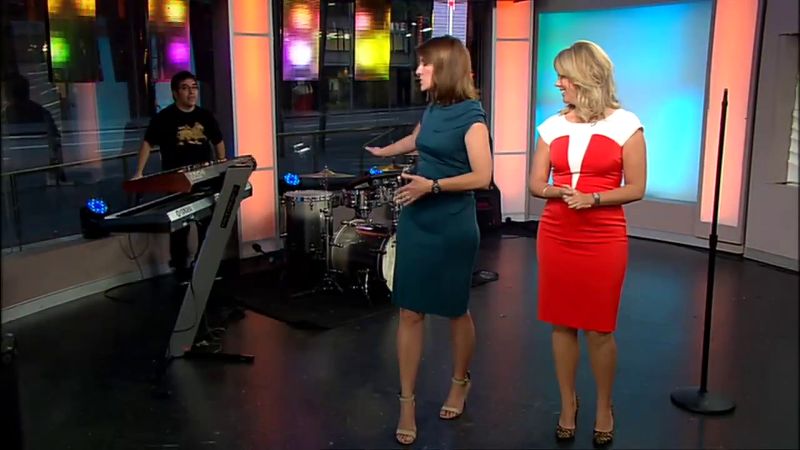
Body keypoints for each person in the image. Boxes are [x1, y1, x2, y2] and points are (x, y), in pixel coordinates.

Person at [365, 35, 492, 446]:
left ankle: (460, 381)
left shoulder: (472, 117)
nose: (417, 70)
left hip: (452, 223)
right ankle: (407, 402)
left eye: (425, 64)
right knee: (409, 311)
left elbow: (483, 176)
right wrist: (385, 151)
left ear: (445, 68)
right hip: (418, 221)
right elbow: (417, 140)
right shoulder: (434, 108)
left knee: (454, 310)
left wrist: (432, 186)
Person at [529, 40, 646, 447]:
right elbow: (535, 183)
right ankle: (568, 404)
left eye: (564, 76)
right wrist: (556, 191)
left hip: (603, 234)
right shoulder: (552, 126)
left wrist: (593, 198)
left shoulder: (626, 125)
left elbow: (636, 187)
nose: (558, 83)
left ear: (586, 78)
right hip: (557, 231)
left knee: (599, 328)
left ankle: (604, 407)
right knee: (562, 323)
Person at [131, 71, 226, 281]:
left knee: (207, 224)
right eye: (185, 88)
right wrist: (139, 172)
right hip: (177, 182)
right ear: (175, 93)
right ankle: (180, 269)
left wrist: (221, 165)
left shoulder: (205, 116)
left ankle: (204, 266)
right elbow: (147, 143)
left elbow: (218, 141)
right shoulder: (164, 118)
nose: (191, 92)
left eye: (194, 87)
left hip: (205, 179)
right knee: (179, 227)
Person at [1, 74, 67, 185]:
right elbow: (55, 142)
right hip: (37, 167)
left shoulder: (5, 115)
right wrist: (58, 168)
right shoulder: (41, 112)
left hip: (14, 170)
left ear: (9, 94)